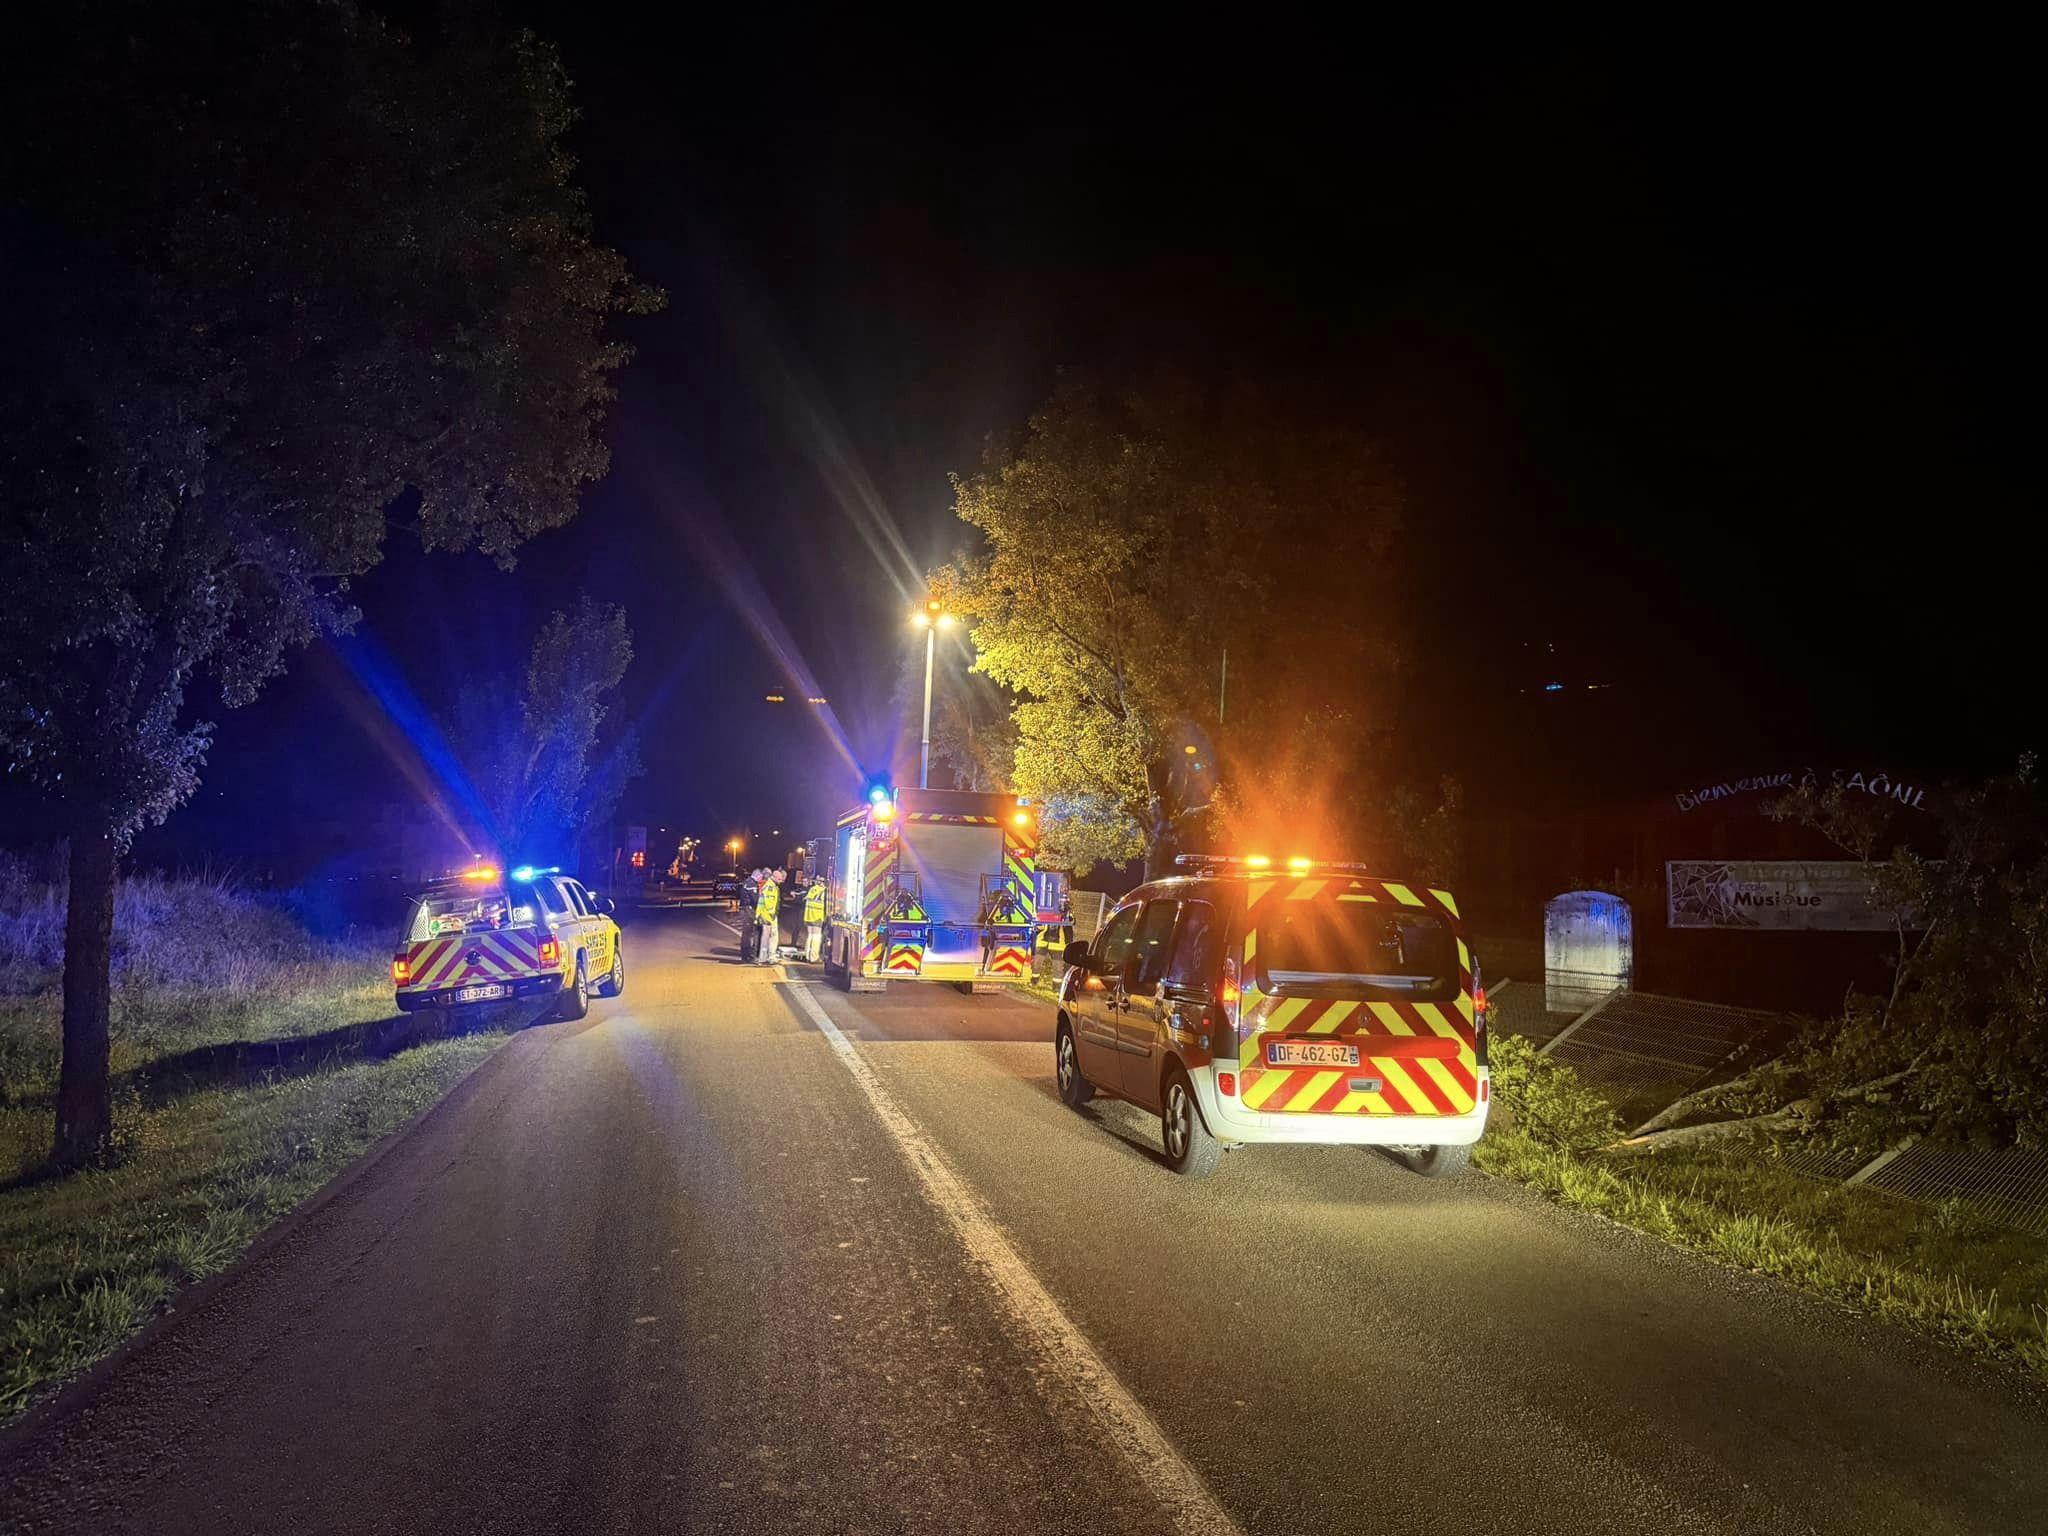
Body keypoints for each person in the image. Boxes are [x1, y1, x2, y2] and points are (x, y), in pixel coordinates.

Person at [754, 868, 783, 965]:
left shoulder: (769, 885)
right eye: (779, 879)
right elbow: (769, 902)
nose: (781, 881)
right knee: (771, 937)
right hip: (769, 916)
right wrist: (772, 915)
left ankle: (764, 957)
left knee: (766, 937)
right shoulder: (770, 887)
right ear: (774, 877)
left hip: (765, 915)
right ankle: (769, 957)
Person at [802, 873, 828, 964]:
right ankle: (814, 957)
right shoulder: (824, 891)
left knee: (810, 936)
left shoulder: (812, 889)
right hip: (817, 916)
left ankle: (807, 956)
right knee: (816, 936)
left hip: (809, 915)